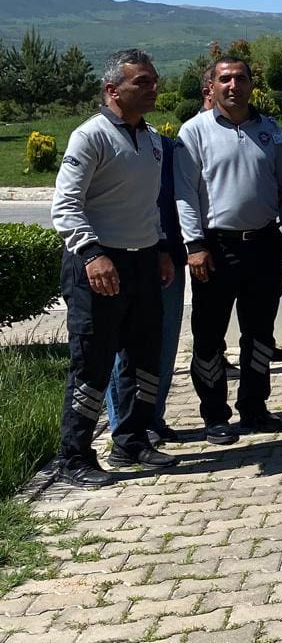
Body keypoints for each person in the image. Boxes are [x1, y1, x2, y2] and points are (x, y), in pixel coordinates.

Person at [50, 50, 176, 485]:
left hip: (143, 262)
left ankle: (131, 440)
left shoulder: (153, 140)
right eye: (142, 82)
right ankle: (74, 457)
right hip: (97, 265)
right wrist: (92, 254)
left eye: (154, 80)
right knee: (92, 364)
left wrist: (160, 248)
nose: (153, 88)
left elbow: (148, 205)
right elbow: (65, 205)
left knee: (145, 359)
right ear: (112, 90)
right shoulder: (90, 136)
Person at [173, 57, 282, 443]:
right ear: (211, 87)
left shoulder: (270, 129)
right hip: (215, 249)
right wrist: (194, 245)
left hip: (264, 245)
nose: (234, 85)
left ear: (250, 84)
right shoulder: (194, 131)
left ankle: (254, 407)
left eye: (241, 78)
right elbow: (184, 195)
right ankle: (215, 415)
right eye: (225, 79)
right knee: (209, 336)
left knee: (260, 333)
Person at [106, 120, 185, 449]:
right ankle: (122, 427)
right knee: (123, 350)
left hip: (167, 255)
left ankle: (152, 418)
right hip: (123, 259)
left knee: (162, 346)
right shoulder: (99, 138)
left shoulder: (164, 145)